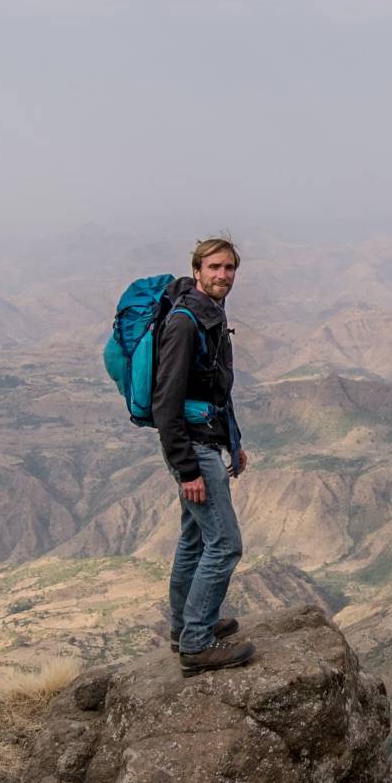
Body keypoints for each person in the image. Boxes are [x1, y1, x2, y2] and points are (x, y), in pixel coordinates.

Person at [156, 237, 255, 675]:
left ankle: (184, 629)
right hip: (193, 449)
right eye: (214, 267)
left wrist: (233, 442)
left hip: (207, 441)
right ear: (197, 270)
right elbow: (166, 402)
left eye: (230, 268)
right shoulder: (185, 323)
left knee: (194, 539)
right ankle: (197, 643)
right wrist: (187, 467)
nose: (223, 275)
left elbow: (215, 389)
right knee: (226, 544)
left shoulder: (210, 314)